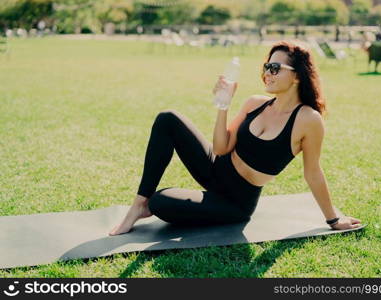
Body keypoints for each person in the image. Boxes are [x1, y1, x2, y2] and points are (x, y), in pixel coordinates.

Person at [109, 41, 362, 236]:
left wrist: (332, 220)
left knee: (162, 202)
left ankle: (151, 204)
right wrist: (224, 104)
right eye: (266, 67)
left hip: (235, 201)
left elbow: (313, 172)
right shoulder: (255, 104)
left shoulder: (308, 119)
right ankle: (138, 205)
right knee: (168, 118)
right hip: (216, 169)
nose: (267, 74)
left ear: (297, 75)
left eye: (275, 68)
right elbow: (220, 148)